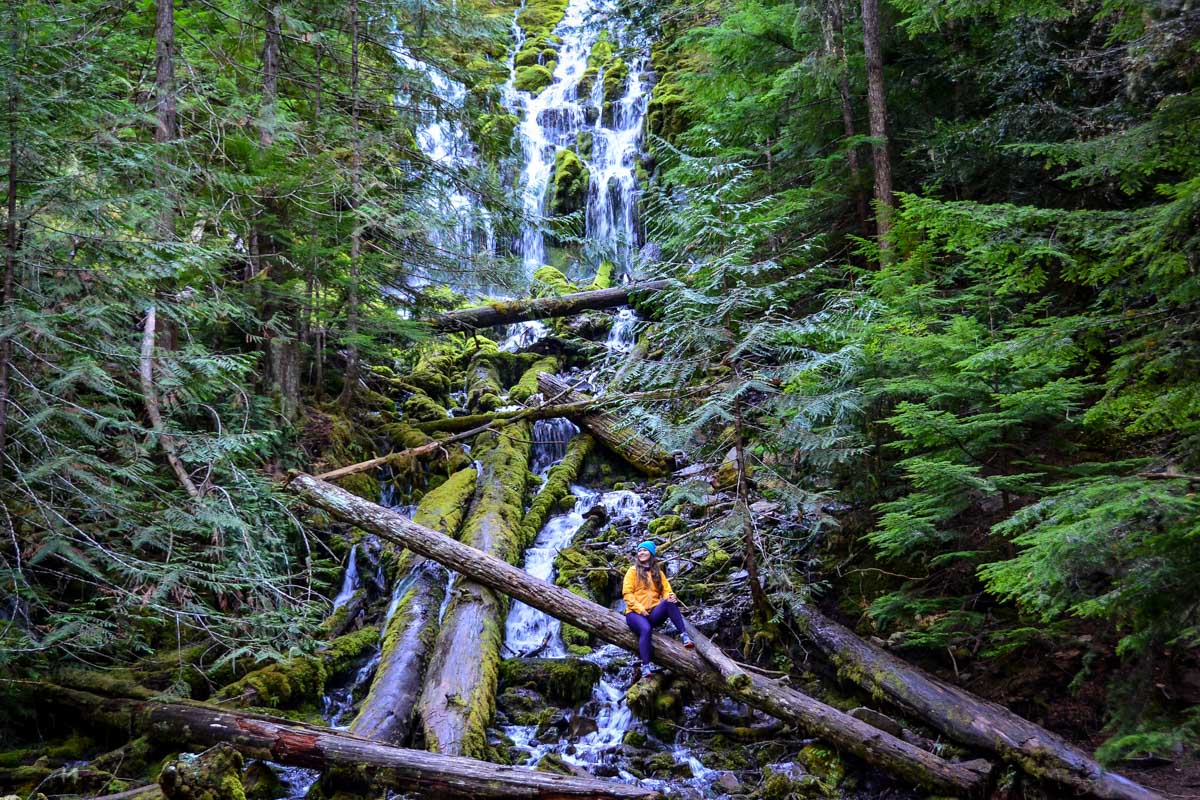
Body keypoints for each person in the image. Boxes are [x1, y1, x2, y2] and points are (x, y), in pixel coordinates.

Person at [623, 539, 693, 679]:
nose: (641, 552)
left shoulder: (658, 572)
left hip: (653, 613)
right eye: (639, 551)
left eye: (644, 550)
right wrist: (639, 608)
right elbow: (627, 594)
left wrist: (671, 596)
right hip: (634, 614)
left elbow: (666, 590)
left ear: (651, 553)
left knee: (669, 601)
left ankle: (684, 635)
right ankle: (646, 666)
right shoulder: (632, 571)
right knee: (646, 629)